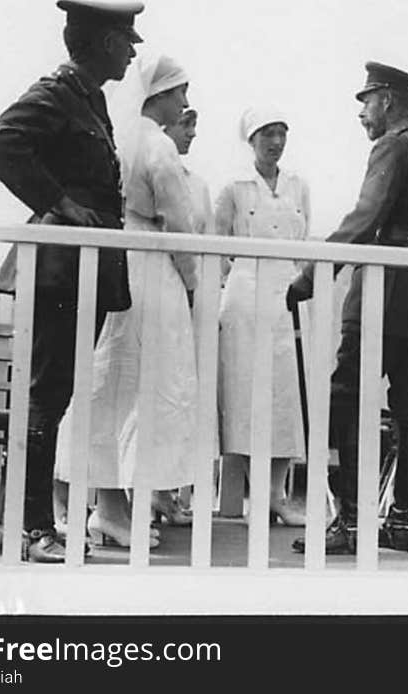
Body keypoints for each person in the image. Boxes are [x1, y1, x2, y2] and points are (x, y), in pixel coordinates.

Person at [0, 0, 144, 563]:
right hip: (58, 272)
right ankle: (31, 531)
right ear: (104, 43)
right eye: (127, 41)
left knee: (54, 397)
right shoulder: (57, 93)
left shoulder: (87, 98)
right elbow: (0, 145)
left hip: (81, 274)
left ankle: (36, 525)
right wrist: (61, 206)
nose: (131, 51)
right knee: (44, 398)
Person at [287, 61, 408, 554]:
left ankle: (354, 522)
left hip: (382, 288)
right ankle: (403, 520)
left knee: (346, 397)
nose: (362, 115)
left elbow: (365, 216)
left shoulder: (393, 145)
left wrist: (312, 275)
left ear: (386, 100)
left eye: (365, 103)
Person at [54, 53, 202, 548]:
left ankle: (111, 505)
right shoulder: (158, 145)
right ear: (161, 95)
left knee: (113, 384)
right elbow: (180, 224)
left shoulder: (120, 137)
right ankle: (114, 511)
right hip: (153, 270)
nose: (183, 102)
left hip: (118, 265)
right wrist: (192, 281)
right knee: (145, 387)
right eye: (180, 92)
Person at [214, 107, 311, 526]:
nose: (275, 142)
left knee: (284, 397)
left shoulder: (297, 186)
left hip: (284, 297)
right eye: (267, 134)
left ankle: (274, 495)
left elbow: (304, 240)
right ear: (251, 140)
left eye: (281, 133)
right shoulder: (234, 187)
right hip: (244, 297)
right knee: (243, 396)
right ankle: (241, 497)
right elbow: (217, 249)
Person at [162, 106, 215, 517]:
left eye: (196, 125)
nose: (193, 133)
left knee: (178, 392)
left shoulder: (198, 186)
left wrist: (201, 289)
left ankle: (164, 495)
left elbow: (208, 241)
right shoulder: (152, 166)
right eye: (186, 124)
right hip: (160, 287)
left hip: (188, 294)